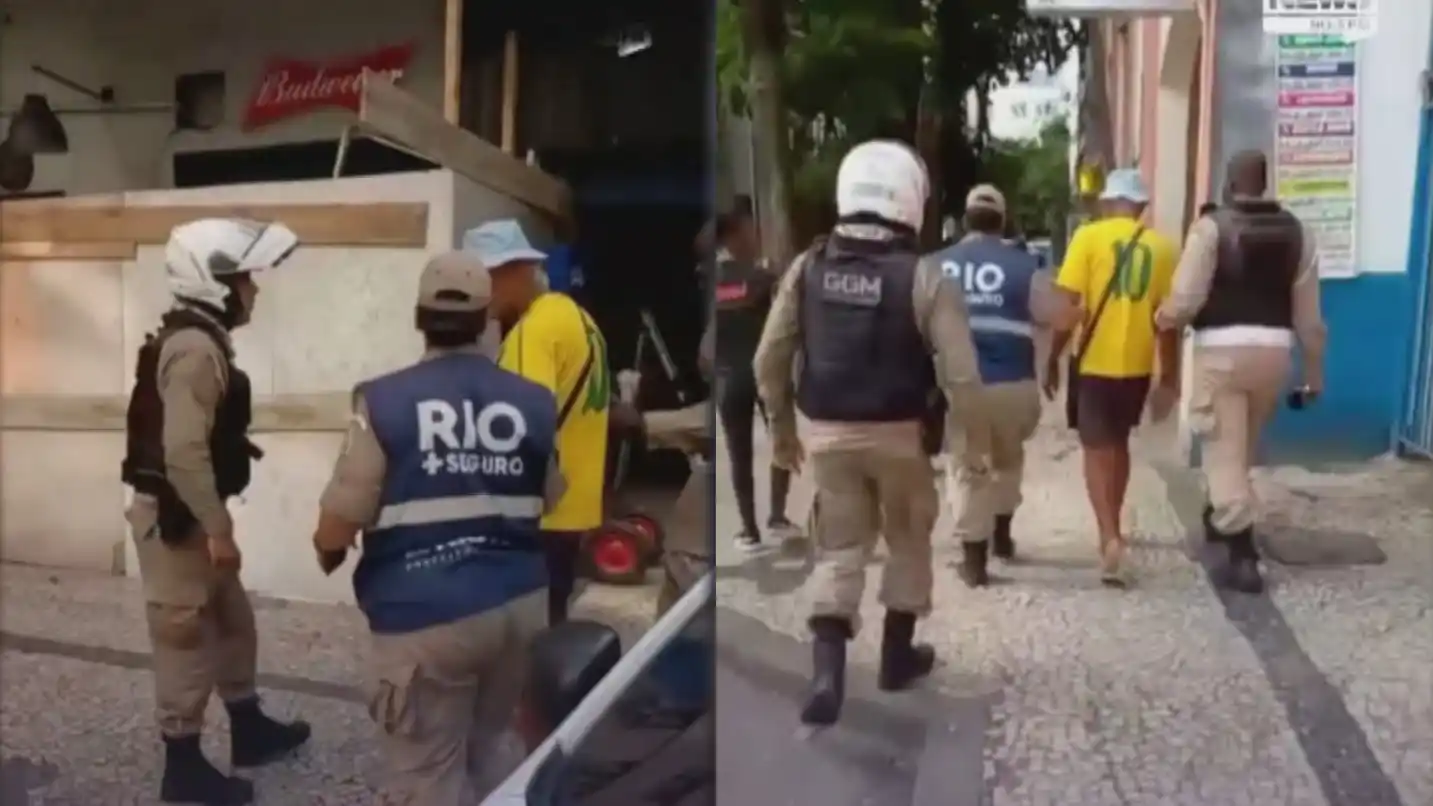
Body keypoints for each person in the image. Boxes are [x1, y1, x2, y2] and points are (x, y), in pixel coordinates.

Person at [311, 251, 564, 804]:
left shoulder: (383, 401)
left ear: (419, 317)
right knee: (495, 748)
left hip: (425, 616)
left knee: (428, 772)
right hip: (518, 606)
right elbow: (550, 496)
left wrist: (328, 549)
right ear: (485, 318)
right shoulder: (533, 402)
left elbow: (341, 518)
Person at [754, 139, 990, 727]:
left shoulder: (807, 268)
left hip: (827, 434)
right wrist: (972, 447)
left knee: (840, 549)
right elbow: (961, 375)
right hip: (901, 436)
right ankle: (896, 657)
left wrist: (782, 434)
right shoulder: (926, 277)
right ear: (911, 200)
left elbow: (768, 359)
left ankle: (827, 676)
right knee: (908, 538)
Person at [121, 218, 311, 805]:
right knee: (183, 636)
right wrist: (219, 529)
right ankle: (182, 768)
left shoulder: (201, 341)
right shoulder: (196, 350)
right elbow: (183, 451)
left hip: (193, 514)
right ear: (214, 283)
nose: (254, 290)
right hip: (179, 522)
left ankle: (249, 728)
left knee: (231, 621)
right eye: (246, 279)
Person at [1155, 150, 1325, 594]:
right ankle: (1220, 514)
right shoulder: (1299, 233)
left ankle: (1242, 550)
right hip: (1275, 353)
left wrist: (1163, 317)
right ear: (1264, 183)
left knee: (1223, 449)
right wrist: (1313, 376)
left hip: (1220, 354)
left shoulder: (1211, 229)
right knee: (1242, 444)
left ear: (1229, 185)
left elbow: (1186, 299)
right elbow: (1310, 320)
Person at [464, 218, 611, 626]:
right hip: (572, 507)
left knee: (527, 633)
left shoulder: (534, 331)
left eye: (484, 279)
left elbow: (520, 427)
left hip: (537, 513)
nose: (477, 294)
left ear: (516, 270)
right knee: (552, 620)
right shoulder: (577, 318)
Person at [1044, 168, 1181, 586]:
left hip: (1093, 364)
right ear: (1140, 206)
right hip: (1136, 365)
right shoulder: (1163, 248)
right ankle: (1115, 524)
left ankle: (1108, 536)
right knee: (1118, 444)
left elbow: (1068, 307)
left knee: (1095, 450)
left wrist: (1052, 357)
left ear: (1107, 202)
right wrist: (1169, 376)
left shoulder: (1087, 238)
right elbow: (1168, 322)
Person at [929, 185, 1053, 586]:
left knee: (967, 469)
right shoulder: (1026, 265)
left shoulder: (936, 265)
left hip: (960, 388)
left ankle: (974, 561)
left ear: (966, 220)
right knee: (1008, 460)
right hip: (1014, 384)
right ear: (1003, 221)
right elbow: (1051, 316)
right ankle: (1002, 535)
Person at [712, 203, 798, 550]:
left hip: (727, 377)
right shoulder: (763, 278)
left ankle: (749, 531)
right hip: (766, 375)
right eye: (750, 232)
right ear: (734, 236)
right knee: (781, 440)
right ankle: (777, 516)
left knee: (739, 454)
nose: (755, 238)